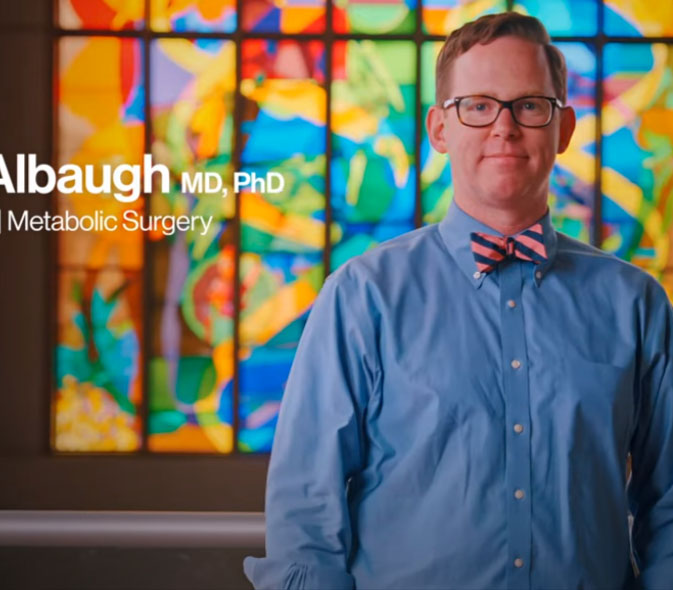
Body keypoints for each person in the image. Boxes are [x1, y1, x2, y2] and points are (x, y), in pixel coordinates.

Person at [243, 12, 672, 590]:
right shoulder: (363, 295)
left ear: (563, 129)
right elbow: (305, 515)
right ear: (440, 130)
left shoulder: (635, 303)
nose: (505, 127)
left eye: (529, 105)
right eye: (478, 105)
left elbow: (668, 500)